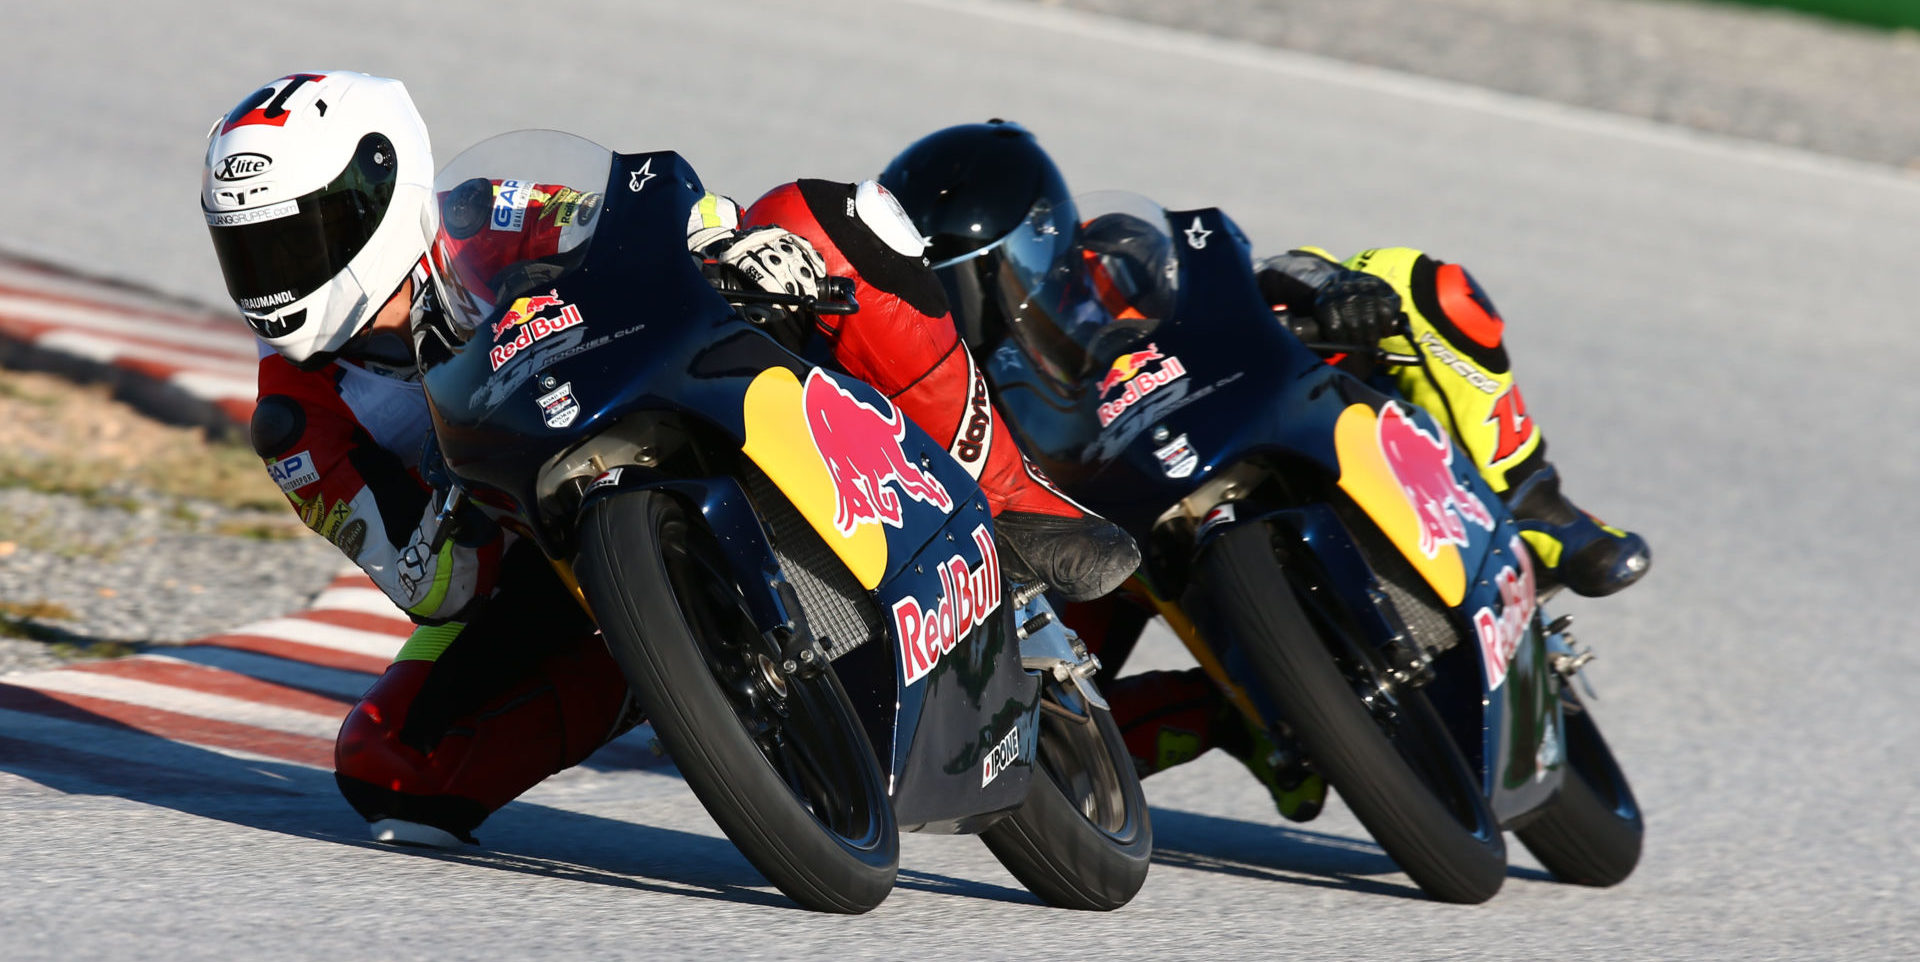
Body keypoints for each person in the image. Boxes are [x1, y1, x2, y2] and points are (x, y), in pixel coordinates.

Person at [201, 72, 1137, 846]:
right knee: (388, 762)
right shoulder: (297, 421)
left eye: (295, 238)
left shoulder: (489, 213)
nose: (274, 278)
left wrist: (730, 242)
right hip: (546, 550)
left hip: (669, 386)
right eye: (249, 252)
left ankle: (1013, 497)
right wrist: (454, 514)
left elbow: (656, 218)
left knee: (818, 217)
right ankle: (672, 672)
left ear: (382, 190)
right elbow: (432, 587)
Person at [877, 119, 1652, 822]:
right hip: (1123, 522)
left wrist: (1329, 290)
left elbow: (1257, 275)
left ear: (1037, 234)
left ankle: (1537, 501)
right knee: (1028, 730)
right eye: (937, 283)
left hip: (1246, 407)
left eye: (971, 272)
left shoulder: (1116, 253)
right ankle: (1236, 714)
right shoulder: (956, 375)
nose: (958, 299)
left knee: (1418, 281)